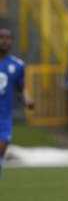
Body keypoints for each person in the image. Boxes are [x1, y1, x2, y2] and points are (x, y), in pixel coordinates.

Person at [0, 27, 34, 177]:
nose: (4, 40)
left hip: (4, 117)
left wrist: (27, 99)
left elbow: (21, 88)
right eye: (1, 37)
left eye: (8, 38)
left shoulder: (18, 65)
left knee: (1, 149)